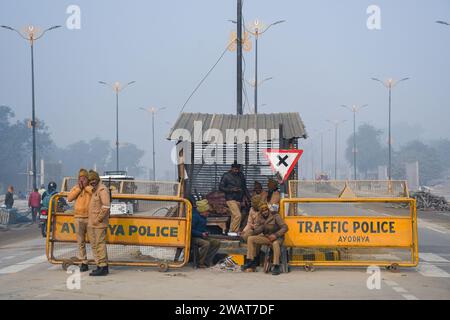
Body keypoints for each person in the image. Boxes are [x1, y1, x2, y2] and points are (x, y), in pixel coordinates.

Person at [242, 205, 288, 275]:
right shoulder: (260, 218)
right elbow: (258, 231)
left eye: (266, 210)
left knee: (275, 244)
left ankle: (276, 265)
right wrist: (253, 229)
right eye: (263, 211)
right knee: (251, 239)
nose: (265, 212)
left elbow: (285, 227)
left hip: (277, 238)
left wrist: (276, 235)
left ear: (268, 210)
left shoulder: (275, 216)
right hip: (267, 238)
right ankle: (251, 261)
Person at [67, 168, 93, 272]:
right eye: (80, 178)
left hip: (90, 218)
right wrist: (79, 188)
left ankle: (99, 262)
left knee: (94, 242)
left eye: (84, 178)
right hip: (78, 218)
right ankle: (84, 262)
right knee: (80, 242)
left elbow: (94, 194)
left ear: (87, 179)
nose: (82, 180)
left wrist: (85, 187)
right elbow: (69, 198)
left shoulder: (91, 188)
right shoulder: (76, 188)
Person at [87, 170, 111, 276]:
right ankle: (99, 265)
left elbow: (106, 206)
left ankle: (103, 267)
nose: (92, 182)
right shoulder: (94, 190)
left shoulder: (102, 189)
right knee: (95, 245)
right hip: (92, 223)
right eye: (90, 180)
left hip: (99, 224)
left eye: (93, 180)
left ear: (97, 179)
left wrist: (98, 219)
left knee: (100, 245)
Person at [219, 161, 250, 233]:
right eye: (235, 169)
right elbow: (220, 187)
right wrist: (232, 190)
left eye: (238, 169)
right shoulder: (226, 175)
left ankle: (230, 232)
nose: (237, 171)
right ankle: (234, 231)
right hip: (230, 198)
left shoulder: (241, 175)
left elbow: (244, 188)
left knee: (234, 217)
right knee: (238, 215)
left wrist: (249, 198)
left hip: (239, 199)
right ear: (232, 168)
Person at [191, 199, 221, 268]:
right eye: (207, 211)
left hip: (200, 236)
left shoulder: (203, 217)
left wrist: (205, 232)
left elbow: (201, 228)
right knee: (206, 244)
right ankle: (200, 263)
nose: (208, 213)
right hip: (193, 237)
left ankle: (206, 261)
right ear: (202, 211)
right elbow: (190, 230)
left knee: (216, 242)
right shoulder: (195, 217)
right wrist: (201, 234)